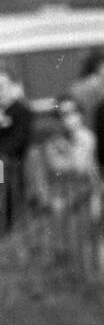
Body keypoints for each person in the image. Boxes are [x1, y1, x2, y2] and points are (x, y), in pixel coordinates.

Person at [0, 64, 34, 228]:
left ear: (12, 87)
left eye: (2, 86)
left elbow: (18, 141)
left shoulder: (21, 111)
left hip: (12, 170)